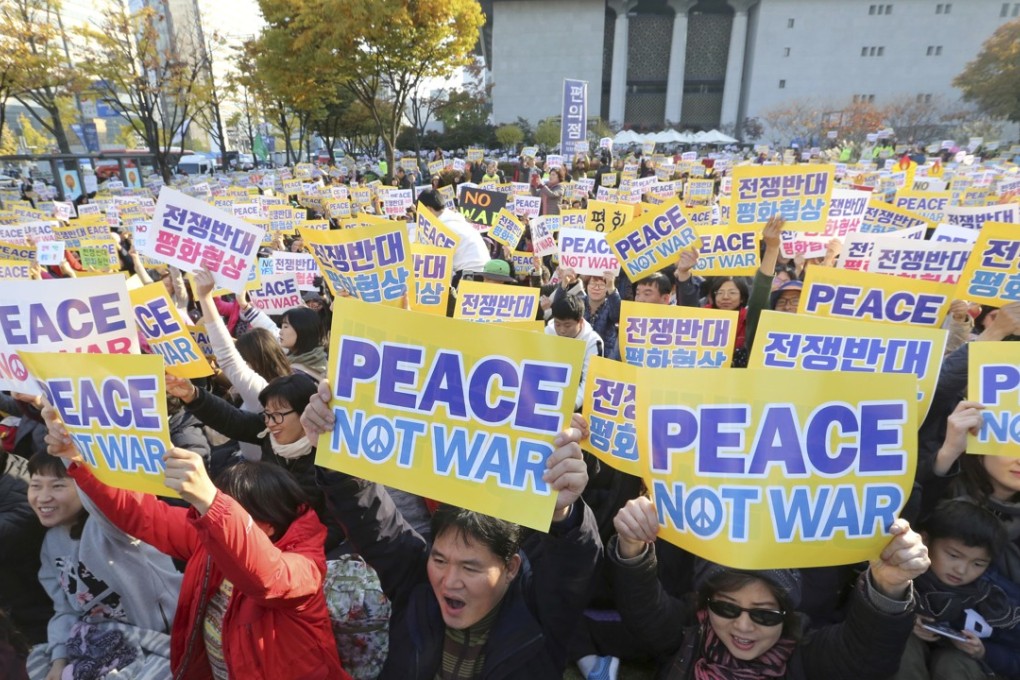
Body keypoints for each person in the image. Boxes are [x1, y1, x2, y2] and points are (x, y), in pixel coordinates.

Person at [301, 380, 602, 679]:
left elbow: (573, 565)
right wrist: (335, 452)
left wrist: (562, 510)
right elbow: (374, 524)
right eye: (440, 560)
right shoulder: (418, 585)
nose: (449, 582)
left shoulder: (540, 613)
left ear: (510, 567)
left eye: (470, 568)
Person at [40, 408, 350, 680]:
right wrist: (78, 456)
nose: (211, 517)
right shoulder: (210, 537)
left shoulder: (304, 567)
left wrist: (213, 503)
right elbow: (142, 515)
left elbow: (267, 577)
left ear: (267, 523)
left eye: (229, 509)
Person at [609, 496, 930, 680]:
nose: (743, 626)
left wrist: (888, 586)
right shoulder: (688, 631)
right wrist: (632, 546)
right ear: (707, 604)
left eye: (765, 615)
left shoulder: (808, 653)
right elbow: (643, 609)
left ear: (788, 613)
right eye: (727, 608)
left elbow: (868, 658)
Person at [25, 452, 181, 680]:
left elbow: (106, 498)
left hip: (163, 638)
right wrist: (59, 661)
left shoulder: (114, 525)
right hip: (110, 643)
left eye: (58, 486)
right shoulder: (52, 543)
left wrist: (70, 452)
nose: (43, 497)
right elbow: (66, 609)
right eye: (36, 486)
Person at [894, 499, 1020, 680]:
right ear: (926, 540)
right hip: (910, 660)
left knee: (951, 662)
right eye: (953, 556)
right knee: (901, 640)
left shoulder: (998, 600)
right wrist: (906, 620)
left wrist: (984, 652)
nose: (961, 570)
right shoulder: (899, 574)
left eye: (978, 563)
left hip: (970, 669)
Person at [545, 294, 604, 410]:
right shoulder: (547, 333)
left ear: (580, 322)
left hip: (575, 404)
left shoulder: (593, 342)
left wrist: (569, 406)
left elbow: (589, 382)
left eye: (567, 325)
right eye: (558, 324)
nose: (562, 330)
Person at [417, 189, 490, 275]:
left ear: (428, 209)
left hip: (469, 275)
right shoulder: (457, 220)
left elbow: (439, 267)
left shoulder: (441, 229)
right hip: (485, 272)